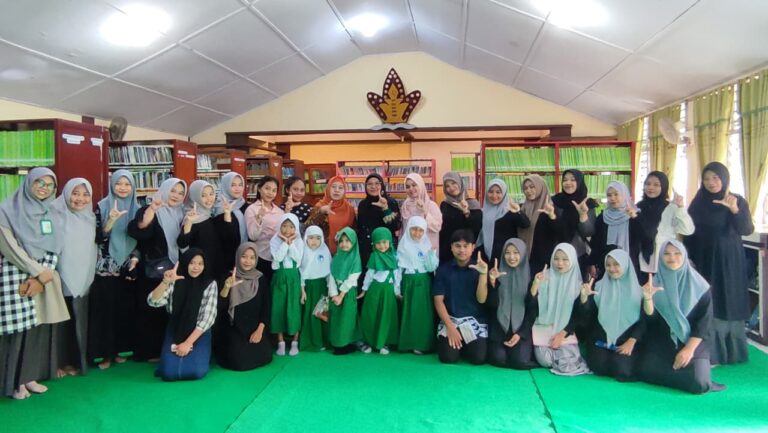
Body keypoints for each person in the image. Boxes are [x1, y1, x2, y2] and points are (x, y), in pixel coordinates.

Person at [0, 168, 67, 399]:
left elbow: (55, 245)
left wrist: (44, 275)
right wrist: (38, 273)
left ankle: (28, 377)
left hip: (43, 277)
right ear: (28, 183)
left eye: (49, 185)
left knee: (36, 329)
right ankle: (13, 383)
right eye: (39, 182)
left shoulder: (52, 213)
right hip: (15, 276)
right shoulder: (6, 210)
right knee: (16, 332)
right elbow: (9, 248)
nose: (43, 188)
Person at [684, 162, 754, 365]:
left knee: (729, 300)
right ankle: (709, 352)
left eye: (715, 178)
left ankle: (732, 353)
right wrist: (688, 257)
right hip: (704, 260)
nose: (711, 182)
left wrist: (734, 210)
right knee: (708, 301)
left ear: (724, 178)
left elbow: (746, 229)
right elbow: (689, 233)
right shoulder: (698, 203)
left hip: (729, 261)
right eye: (706, 179)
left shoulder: (736, 200)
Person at [637, 240, 724, 394]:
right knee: (646, 371)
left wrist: (688, 350)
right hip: (663, 340)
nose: (672, 258)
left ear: (684, 256)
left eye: (677, 253)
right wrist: (648, 298)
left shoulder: (700, 286)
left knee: (700, 384)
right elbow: (650, 320)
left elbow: (704, 324)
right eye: (667, 254)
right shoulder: (654, 284)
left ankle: (687, 371)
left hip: (693, 341)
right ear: (660, 257)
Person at [128, 177, 187, 361]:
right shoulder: (150, 210)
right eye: (173, 191)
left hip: (177, 269)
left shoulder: (183, 213)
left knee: (168, 311)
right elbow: (139, 230)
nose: (176, 195)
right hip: (154, 271)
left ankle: (165, 350)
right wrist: (153, 209)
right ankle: (148, 352)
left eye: (181, 193)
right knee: (150, 311)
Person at [89, 170, 139, 370]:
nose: (123, 188)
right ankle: (105, 354)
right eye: (119, 183)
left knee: (123, 311)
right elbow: (98, 238)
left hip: (128, 266)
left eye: (127, 184)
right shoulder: (102, 206)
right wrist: (111, 220)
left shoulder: (138, 208)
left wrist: (135, 258)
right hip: (106, 266)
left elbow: (141, 239)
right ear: (112, 185)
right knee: (105, 313)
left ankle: (119, 351)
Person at [51, 178, 97, 378]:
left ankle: (77, 362)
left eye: (86, 194)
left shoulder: (90, 217)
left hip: (83, 276)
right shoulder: (54, 214)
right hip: (59, 276)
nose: (80, 199)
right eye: (75, 193)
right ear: (66, 193)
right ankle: (57, 364)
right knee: (59, 323)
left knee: (79, 320)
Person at [149, 248, 217, 381]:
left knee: (196, 372)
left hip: (199, 331)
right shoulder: (175, 279)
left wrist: (187, 343)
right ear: (185, 263)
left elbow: (207, 318)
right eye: (192, 263)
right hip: (175, 327)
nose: (196, 267)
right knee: (168, 373)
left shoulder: (210, 284)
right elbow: (153, 302)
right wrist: (166, 282)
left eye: (200, 263)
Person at [579, 249, 644, 381]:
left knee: (622, 371)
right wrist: (584, 298)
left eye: (616, 264)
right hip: (601, 340)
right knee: (599, 367)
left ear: (625, 265)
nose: (612, 268)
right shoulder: (598, 287)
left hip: (626, 340)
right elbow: (588, 314)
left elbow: (644, 320)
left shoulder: (639, 291)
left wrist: (632, 341)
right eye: (608, 265)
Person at [530, 243, 590, 376]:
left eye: (565, 259)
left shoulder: (577, 285)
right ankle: (560, 357)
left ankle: (563, 356)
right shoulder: (544, 277)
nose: (560, 263)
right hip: (543, 327)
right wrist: (535, 285)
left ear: (572, 260)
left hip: (565, 330)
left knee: (566, 362)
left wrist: (562, 334)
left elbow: (579, 316)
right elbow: (531, 306)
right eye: (556, 259)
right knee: (545, 360)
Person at [433, 229, 489, 365]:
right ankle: (459, 344)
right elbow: (438, 301)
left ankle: (464, 345)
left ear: (473, 247)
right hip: (451, 320)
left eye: (466, 246)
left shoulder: (479, 269)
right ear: (451, 247)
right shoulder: (443, 270)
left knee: (478, 358)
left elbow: (482, 299)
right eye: (457, 246)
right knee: (448, 358)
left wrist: (483, 274)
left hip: (474, 322)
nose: (462, 250)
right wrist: (450, 327)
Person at [630, 171, 694, 282]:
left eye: (656, 185)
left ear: (664, 187)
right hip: (641, 259)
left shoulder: (671, 208)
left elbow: (687, 230)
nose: (651, 187)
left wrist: (680, 208)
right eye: (648, 184)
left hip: (664, 258)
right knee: (644, 290)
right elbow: (634, 234)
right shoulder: (638, 207)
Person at [217, 242, 272, 371]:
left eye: (252, 257)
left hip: (254, 328)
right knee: (238, 362)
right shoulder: (228, 277)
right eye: (244, 256)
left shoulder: (260, 278)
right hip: (234, 328)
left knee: (264, 356)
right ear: (238, 256)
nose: (248, 261)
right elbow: (219, 307)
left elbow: (266, 306)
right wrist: (226, 287)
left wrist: (259, 331)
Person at [486, 239, 537, 369]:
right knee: (498, 359)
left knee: (520, 361)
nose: (511, 257)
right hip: (499, 328)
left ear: (523, 254)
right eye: (507, 253)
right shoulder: (496, 273)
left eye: (516, 252)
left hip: (521, 329)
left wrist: (520, 334)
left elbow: (533, 310)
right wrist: (493, 284)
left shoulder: (532, 277)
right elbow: (490, 306)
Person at [178, 180, 240, 283]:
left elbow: (229, 237)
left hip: (217, 268)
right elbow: (182, 244)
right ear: (195, 197)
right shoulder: (191, 218)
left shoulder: (211, 214)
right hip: (201, 271)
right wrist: (189, 222)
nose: (209, 199)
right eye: (203, 195)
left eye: (211, 194)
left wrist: (227, 213)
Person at [397, 216, 438, 354]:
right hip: (408, 282)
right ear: (408, 229)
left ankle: (422, 344)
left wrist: (431, 254)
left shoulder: (426, 245)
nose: (417, 233)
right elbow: (398, 269)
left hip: (423, 282)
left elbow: (431, 267)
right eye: (414, 229)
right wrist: (397, 288)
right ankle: (408, 342)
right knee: (409, 312)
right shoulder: (403, 246)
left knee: (422, 313)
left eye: (421, 230)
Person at [550, 169, 596, 280]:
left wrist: (583, 215)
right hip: (558, 254)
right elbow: (552, 229)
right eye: (565, 180)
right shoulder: (556, 201)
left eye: (572, 180)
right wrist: (551, 216)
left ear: (579, 182)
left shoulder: (587, 203)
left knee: (578, 286)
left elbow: (588, 232)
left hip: (579, 253)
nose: (568, 183)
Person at [360, 227, 400, 355]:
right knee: (372, 315)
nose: (382, 246)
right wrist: (364, 289)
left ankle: (383, 342)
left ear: (390, 242)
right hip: (375, 291)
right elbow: (369, 275)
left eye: (384, 242)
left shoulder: (394, 257)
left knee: (386, 316)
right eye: (378, 243)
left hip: (388, 292)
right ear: (374, 244)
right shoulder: (374, 256)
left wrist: (397, 291)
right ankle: (368, 341)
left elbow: (397, 276)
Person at [269, 214, 303, 356]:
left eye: (291, 227)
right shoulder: (274, 240)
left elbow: (298, 258)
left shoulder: (299, 241)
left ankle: (295, 342)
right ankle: (281, 342)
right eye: (284, 226)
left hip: (294, 279)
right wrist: (285, 243)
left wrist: (291, 244)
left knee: (294, 309)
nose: (287, 230)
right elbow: (277, 259)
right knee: (278, 309)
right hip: (280, 279)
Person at [589, 181, 636, 279]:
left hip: (630, 265)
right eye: (609, 195)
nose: (612, 198)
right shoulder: (603, 217)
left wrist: (635, 217)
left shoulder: (633, 216)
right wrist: (592, 263)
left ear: (624, 194)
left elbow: (644, 239)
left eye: (616, 194)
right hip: (606, 267)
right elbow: (596, 243)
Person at [244, 176, 284, 288]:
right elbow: (252, 236)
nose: (270, 193)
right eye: (267, 188)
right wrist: (259, 218)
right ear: (259, 188)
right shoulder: (252, 209)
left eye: (274, 190)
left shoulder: (279, 211)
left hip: (278, 257)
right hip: (260, 257)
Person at [478, 179, 530, 264]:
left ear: (504, 193)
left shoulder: (510, 211)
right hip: (486, 257)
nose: (494, 195)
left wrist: (518, 211)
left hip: (507, 257)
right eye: (491, 192)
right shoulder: (482, 212)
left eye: (498, 192)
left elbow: (526, 224)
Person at [356, 173, 401, 270]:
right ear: (365, 187)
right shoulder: (363, 204)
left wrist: (385, 209)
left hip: (385, 249)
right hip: (367, 250)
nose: (373, 186)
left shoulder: (391, 202)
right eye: (369, 184)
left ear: (382, 186)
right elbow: (360, 228)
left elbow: (396, 226)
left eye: (377, 183)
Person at [298, 226, 333, 352]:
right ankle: (311, 342)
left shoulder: (325, 251)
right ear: (306, 238)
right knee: (310, 313)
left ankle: (323, 341)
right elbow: (300, 271)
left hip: (322, 287)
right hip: (308, 288)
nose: (314, 241)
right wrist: (302, 290)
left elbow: (329, 272)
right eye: (311, 238)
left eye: (318, 238)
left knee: (322, 313)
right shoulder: (303, 251)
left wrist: (330, 290)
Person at [328, 227, 362, 355]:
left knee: (347, 318)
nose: (344, 244)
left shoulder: (355, 259)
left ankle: (345, 343)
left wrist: (341, 295)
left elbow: (352, 279)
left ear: (353, 242)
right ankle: (337, 344)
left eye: (348, 241)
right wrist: (333, 294)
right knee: (336, 318)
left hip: (347, 293)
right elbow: (331, 275)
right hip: (336, 293)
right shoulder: (336, 257)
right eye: (341, 241)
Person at [438, 172, 481, 264]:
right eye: (447, 186)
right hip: (447, 251)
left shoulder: (473, 204)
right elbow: (442, 229)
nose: (451, 188)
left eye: (454, 183)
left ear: (460, 182)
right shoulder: (445, 205)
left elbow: (477, 228)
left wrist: (466, 211)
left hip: (466, 251)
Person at [307, 176, 355, 254]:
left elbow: (354, 230)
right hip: (321, 250)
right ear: (328, 188)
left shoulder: (349, 208)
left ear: (344, 191)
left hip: (344, 250)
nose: (337, 190)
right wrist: (321, 212)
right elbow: (309, 227)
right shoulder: (319, 206)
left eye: (340, 188)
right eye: (333, 187)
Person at [212, 172, 249, 272]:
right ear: (225, 186)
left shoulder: (246, 207)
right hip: (225, 260)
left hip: (245, 259)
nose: (237, 188)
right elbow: (225, 237)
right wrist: (227, 214)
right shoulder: (218, 209)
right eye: (233, 185)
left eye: (240, 185)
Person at [400, 173, 442, 256]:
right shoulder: (405, 206)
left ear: (420, 185)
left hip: (427, 251)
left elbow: (437, 227)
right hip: (409, 252)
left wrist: (425, 211)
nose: (411, 189)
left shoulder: (431, 205)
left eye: (414, 185)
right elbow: (403, 230)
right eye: (407, 187)